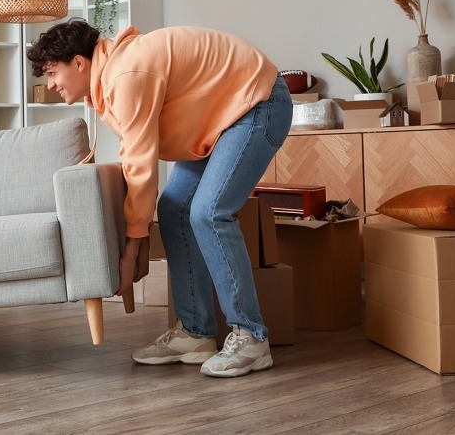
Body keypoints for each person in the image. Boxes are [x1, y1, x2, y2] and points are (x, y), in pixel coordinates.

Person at [27, 20, 292, 378]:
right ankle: (195, 332)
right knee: (174, 210)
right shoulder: (107, 85)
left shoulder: (125, 74)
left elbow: (141, 164)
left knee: (208, 213)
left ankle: (251, 337)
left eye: (52, 73)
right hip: (218, 121)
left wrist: (133, 248)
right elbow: (132, 154)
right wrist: (133, 241)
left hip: (257, 103)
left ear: (79, 63)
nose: (51, 85)